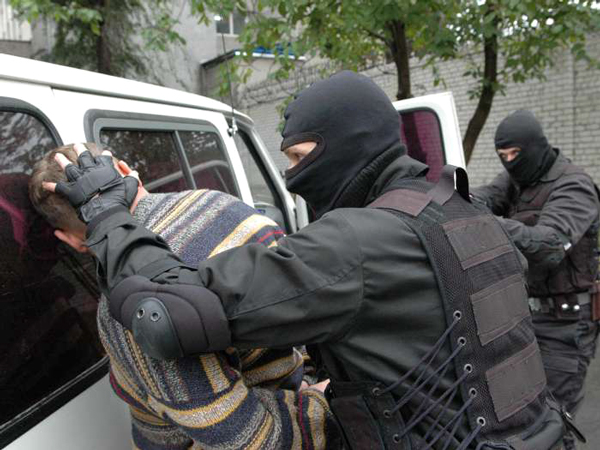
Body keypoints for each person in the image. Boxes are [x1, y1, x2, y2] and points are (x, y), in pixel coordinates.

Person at [47, 72, 567, 449]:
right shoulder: (464, 210)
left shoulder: (355, 243)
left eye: (299, 157)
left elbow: (166, 316)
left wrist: (107, 216)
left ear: (348, 144)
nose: (292, 177)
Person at [30, 143, 338, 449]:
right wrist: (315, 384)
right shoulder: (224, 203)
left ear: (70, 240)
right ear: (125, 171)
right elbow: (304, 303)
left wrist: (321, 406)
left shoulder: (126, 310)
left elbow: (249, 439)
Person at [471, 110, 600, 450]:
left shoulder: (574, 185)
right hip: (526, 318)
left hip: (566, 325)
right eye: (503, 155)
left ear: (536, 147)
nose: (510, 162)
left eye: (515, 153)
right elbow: (483, 196)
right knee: (522, 419)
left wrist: (487, 224)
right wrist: (456, 202)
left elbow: (549, 245)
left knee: (553, 425)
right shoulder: (517, 180)